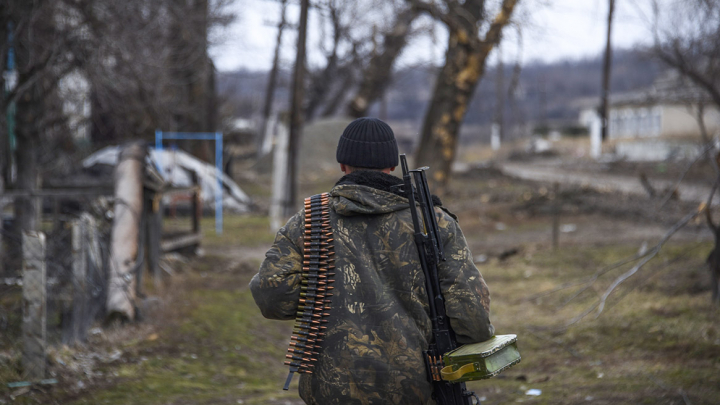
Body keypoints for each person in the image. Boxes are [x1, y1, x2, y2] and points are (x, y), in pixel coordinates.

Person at [249, 117, 494, 405]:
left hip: (330, 389)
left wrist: (324, 293)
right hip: (416, 388)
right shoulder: (434, 222)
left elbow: (272, 296)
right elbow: (471, 318)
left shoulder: (309, 221)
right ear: (391, 167)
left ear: (342, 165)